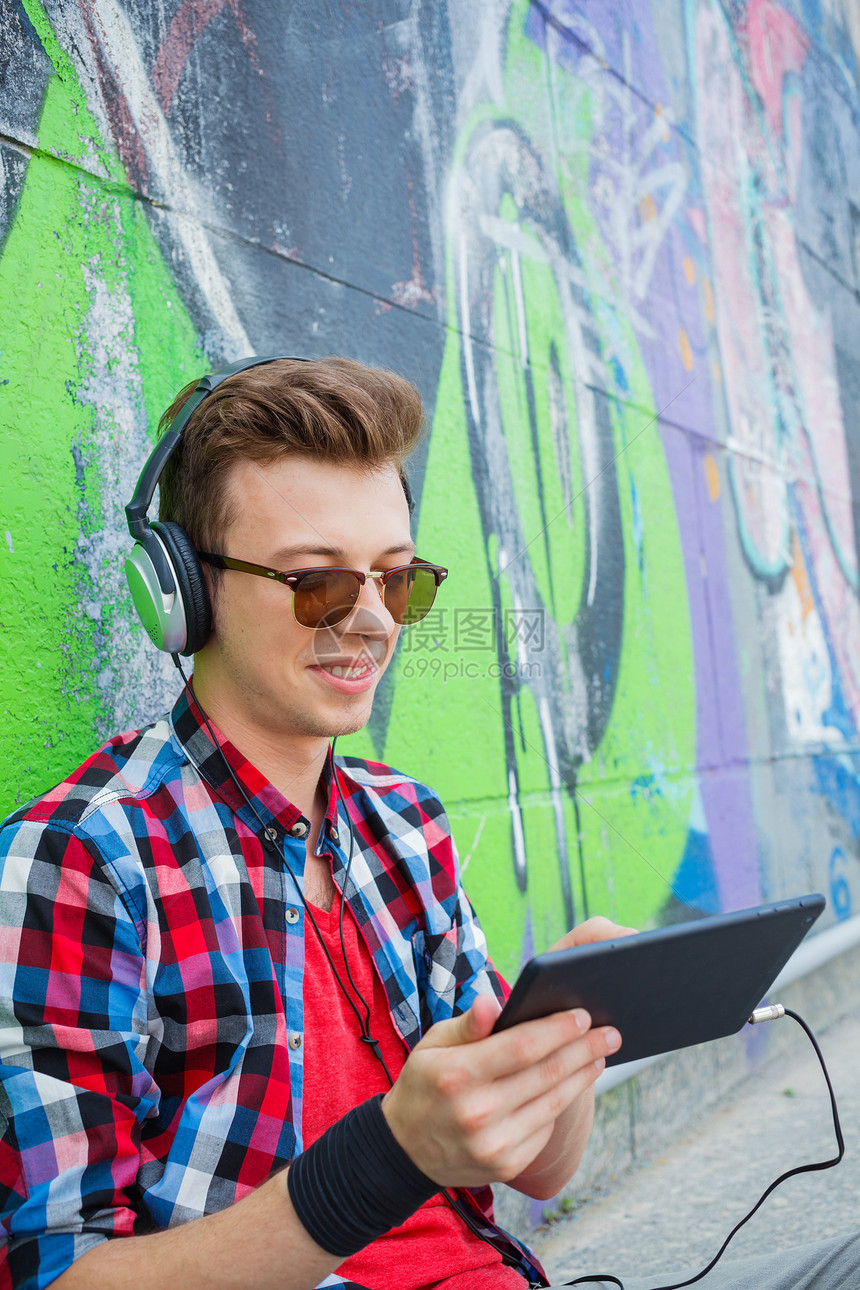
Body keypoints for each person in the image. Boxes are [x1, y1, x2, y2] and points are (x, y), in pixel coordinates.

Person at [0, 357, 858, 1290]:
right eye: (317, 583)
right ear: (185, 591)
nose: (370, 621)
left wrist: (574, 1038)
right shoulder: (83, 861)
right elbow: (60, 1277)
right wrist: (386, 1158)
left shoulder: (403, 825)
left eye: (396, 581)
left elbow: (539, 1170)